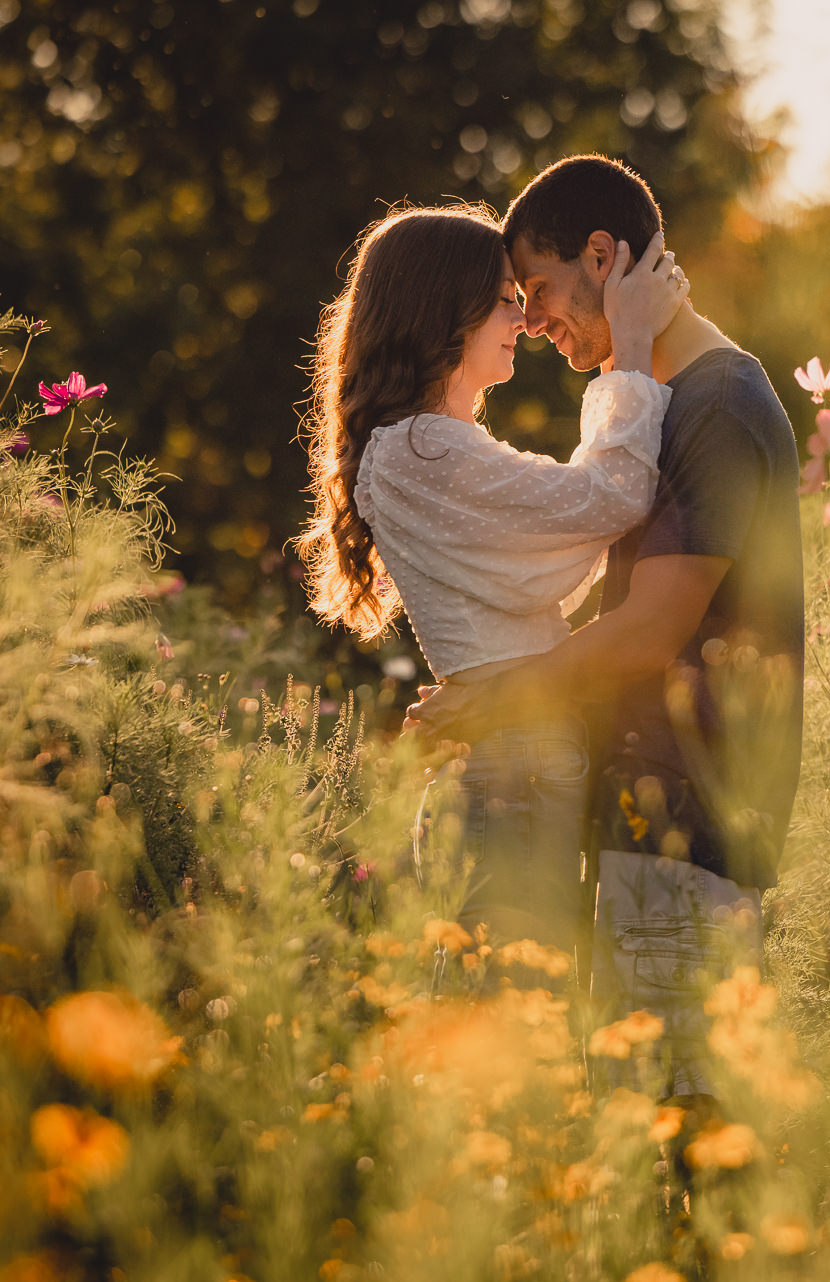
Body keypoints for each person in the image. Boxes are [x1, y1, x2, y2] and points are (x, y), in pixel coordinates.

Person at [407, 157, 804, 1101]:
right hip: (638, 810)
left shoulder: (719, 403)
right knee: (630, 1126)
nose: (534, 321)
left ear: (602, 255)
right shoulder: (667, 404)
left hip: (693, 812)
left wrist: (494, 698)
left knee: (683, 1122)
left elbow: (646, 632)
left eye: (539, 289)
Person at [294, 202, 688, 968]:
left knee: (515, 1017)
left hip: (519, 761)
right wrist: (630, 348)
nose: (525, 318)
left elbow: (562, 554)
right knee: (507, 1026)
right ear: (446, 308)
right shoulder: (419, 450)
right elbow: (605, 501)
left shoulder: (441, 445)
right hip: (512, 772)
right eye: (508, 298)